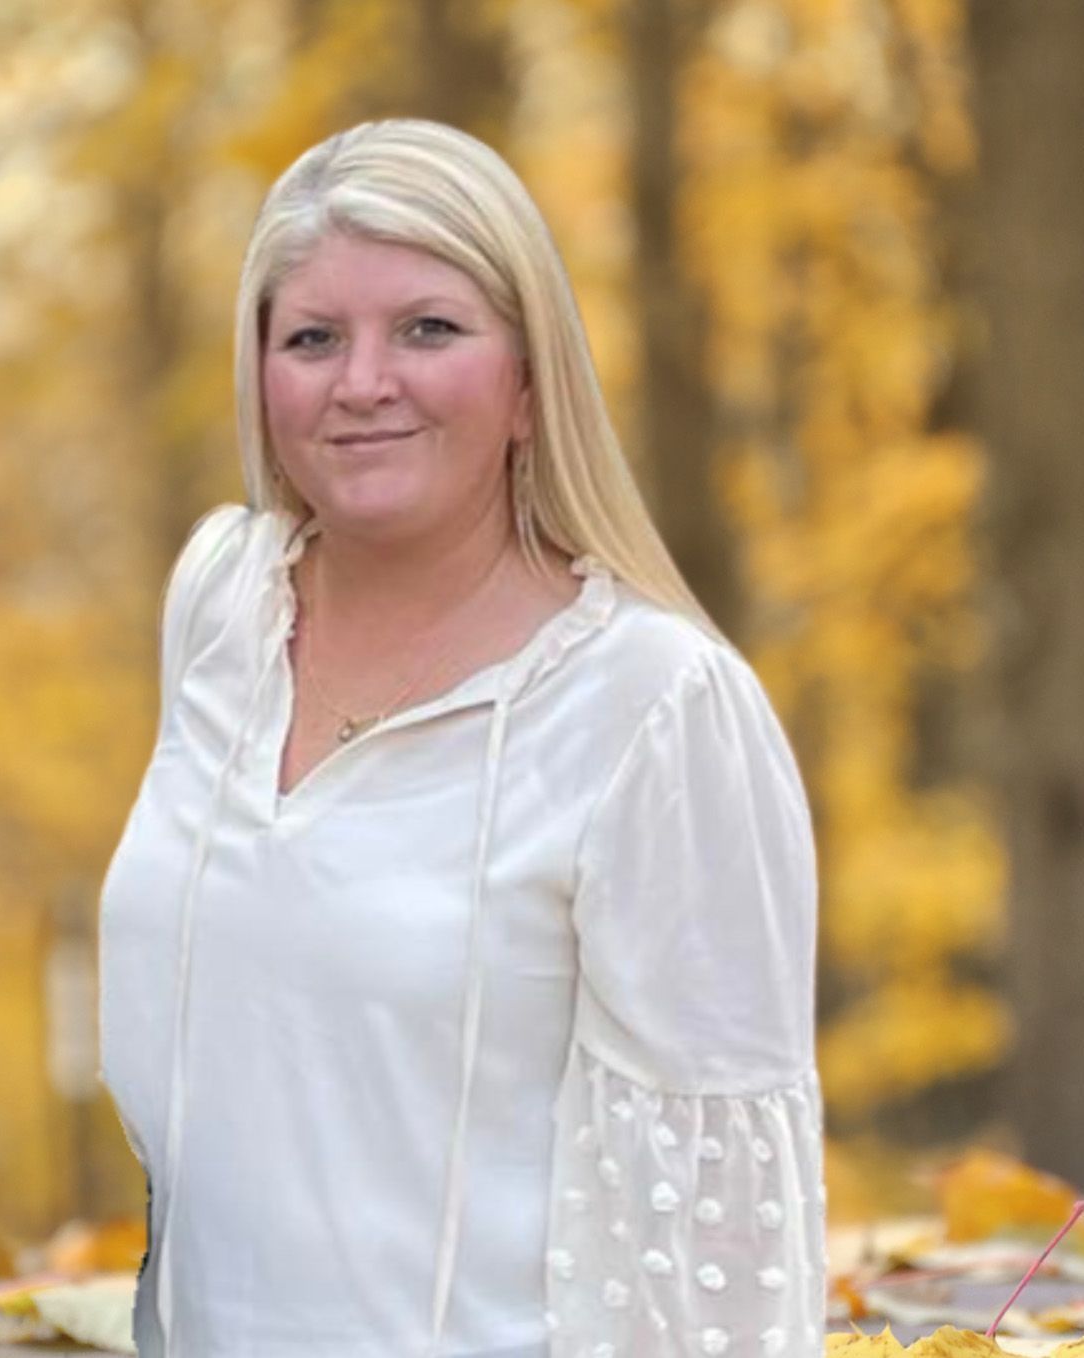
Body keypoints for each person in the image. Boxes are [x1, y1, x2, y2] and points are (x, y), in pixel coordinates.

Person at [97, 118, 825, 1358]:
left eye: (427, 329)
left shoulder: (656, 707)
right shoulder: (219, 603)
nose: (361, 381)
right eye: (312, 337)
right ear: (259, 373)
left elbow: (722, 1248)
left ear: (530, 381)